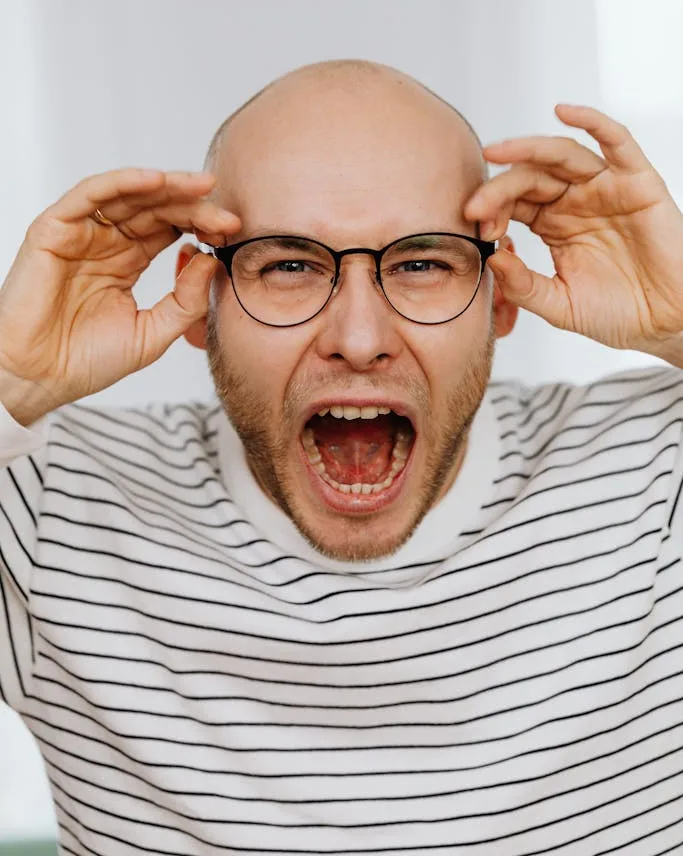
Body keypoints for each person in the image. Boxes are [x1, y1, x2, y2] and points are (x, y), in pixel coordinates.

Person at [0, 59, 681, 856]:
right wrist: (8, 381)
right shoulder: (53, 511)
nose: (359, 340)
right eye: (288, 265)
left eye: (422, 263)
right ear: (199, 300)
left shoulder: (650, 475)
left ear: (498, 295)